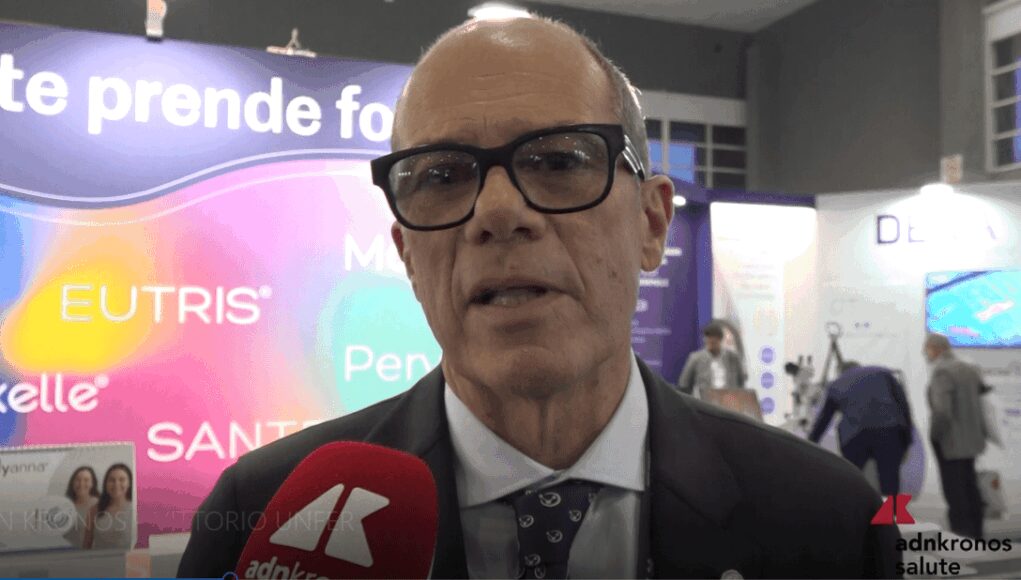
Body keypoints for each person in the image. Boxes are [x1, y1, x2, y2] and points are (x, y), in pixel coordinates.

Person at [179, 15, 899, 578]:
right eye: (441, 176)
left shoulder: (829, 519)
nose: (498, 212)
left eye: (558, 160)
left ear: (651, 225)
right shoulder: (263, 517)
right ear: (406, 255)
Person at [807, 362, 914, 496]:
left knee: (851, 482)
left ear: (841, 372)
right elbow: (903, 406)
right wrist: (907, 440)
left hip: (854, 436)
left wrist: (809, 444)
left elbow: (824, 420)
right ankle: (891, 509)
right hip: (889, 432)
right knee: (891, 484)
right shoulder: (883, 373)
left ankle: (850, 507)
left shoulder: (836, 384)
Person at [924, 333, 987, 539]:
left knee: (955, 490)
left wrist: (935, 435)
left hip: (951, 440)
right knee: (970, 486)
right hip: (972, 439)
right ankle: (976, 533)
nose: (925, 354)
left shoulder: (942, 371)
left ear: (935, 349)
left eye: (927, 349)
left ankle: (961, 536)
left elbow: (942, 411)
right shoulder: (969, 368)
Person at [676, 322, 748, 395]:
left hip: (729, 399)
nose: (711, 343)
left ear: (720, 340)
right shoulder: (695, 358)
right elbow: (684, 384)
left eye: (714, 342)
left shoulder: (733, 358)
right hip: (704, 399)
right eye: (708, 340)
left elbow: (741, 381)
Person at [86, 463, 134, 550]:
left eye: (122, 479)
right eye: (112, 480)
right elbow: (86, 544)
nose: (116, 484)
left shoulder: (136, 509)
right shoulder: (94, 510)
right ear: (106, 484)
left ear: (129, 483)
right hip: (100, 558)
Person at [63, 466, 99, 549]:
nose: (81, 483)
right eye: (78, 480)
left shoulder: (98, 505)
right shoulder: (65, 505)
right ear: (72, 483)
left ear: (92, 484)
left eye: (86, 480)